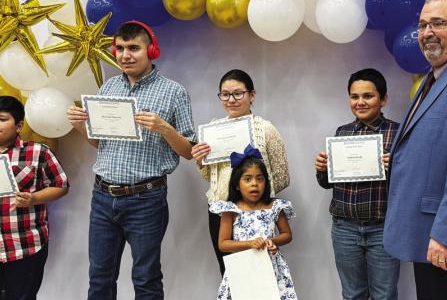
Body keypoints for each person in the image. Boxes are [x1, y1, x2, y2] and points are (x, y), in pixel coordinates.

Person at [66, 21, 196, 299]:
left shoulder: (174, 92)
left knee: (146, 279)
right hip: (102, 197)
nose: (125, 55)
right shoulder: (109, 86)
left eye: (134, 48)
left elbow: (189, 151)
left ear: (151, 50)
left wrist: (164, 128)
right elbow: (99, 142)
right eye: (121, 48)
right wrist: (80, 127)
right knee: (99, 277)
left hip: (146, 200)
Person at [383, 0, 447, 300]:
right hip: (425, 235)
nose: (426, 32)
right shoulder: (434, 78)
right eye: (423, 24)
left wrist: (446, 235)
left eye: (438, 23)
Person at [191, 69, 289, 275]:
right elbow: (211, 177)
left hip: (256, 214)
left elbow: (281, 177)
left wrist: (253, 201)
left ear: (251, 95)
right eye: (225, 94)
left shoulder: (266, 129)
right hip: (221, 212)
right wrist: (200, 161)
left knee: (261, 277)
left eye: (238, 93)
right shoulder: (213, 129)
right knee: (229, 273)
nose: (231, 99)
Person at [315, 68, 400, 300]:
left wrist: (397, 166)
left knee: (385, 295)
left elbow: (411, 183)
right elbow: (328, 184)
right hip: (345, 228)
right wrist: (322, 169)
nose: (360, 102)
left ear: (383, 99)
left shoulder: (398, 133)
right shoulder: (342, 133)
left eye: (368, 96)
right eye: (354, 97)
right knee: (353, 295)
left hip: (383, 229)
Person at [0, 96, 69, 300]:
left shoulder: (37, 152)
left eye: (2, 119)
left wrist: (33, 198)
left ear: (19, 125)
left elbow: (61, 185)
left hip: (25, 244)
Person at [209, 145, 296, 299]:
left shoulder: (275, 206)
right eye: (247, 179)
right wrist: (250, 244)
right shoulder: (230, 210)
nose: (254, 184)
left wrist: (270, 241)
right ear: (237, 184)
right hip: (242, 269)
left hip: (271, 266)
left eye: (260, 179)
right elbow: (223, 244)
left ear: (266, 183)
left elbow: (287, 235)